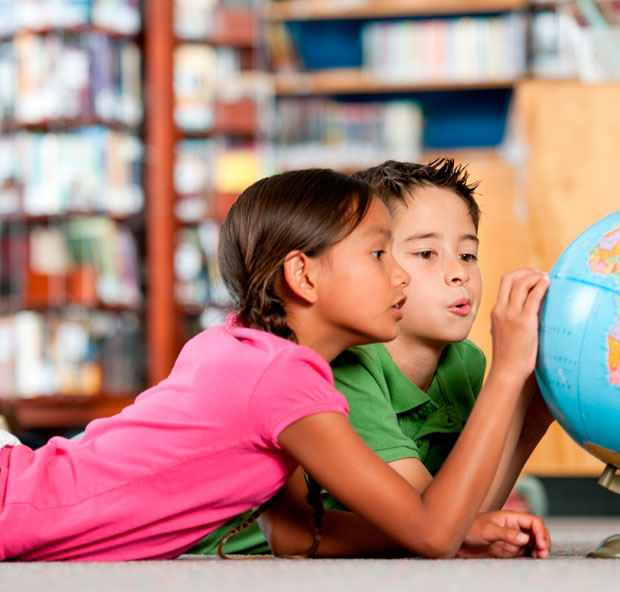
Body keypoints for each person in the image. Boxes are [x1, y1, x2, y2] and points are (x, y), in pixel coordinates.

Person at [0, 167, 549, 562]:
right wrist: (508, 372)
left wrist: (461, 530)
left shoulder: (254, 354)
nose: (401, 276)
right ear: (303, 276)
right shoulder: (283, 379)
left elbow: (291, 532)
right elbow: (432, 534)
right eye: (380, 255)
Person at [193, 160, 553, 559]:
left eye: (468, 255)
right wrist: (506, 374)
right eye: (425, 253)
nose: (458, 273)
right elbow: (435, 526)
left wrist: (531, 393)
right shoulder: (341, 366)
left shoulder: (462, 362)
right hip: (213, 554)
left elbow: (466, 514)